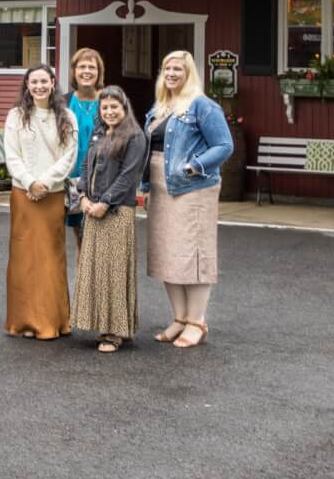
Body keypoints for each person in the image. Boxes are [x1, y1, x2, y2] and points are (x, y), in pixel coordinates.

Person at [144, 50, 233, 349]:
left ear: (189, 73)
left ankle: (197, 321)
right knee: (167, 252)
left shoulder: (203, 106)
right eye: (167, 68)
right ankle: (179, 318)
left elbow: (224, 145)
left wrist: (195, 165)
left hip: (193, 188)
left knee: (193, 254)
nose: (171, 74)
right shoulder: (160, 108)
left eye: (178, 69)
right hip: (160, 187)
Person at [3, 64, 77, 340]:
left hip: (52, 195)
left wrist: (44, 182)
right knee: (24, 259)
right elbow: (11, 154)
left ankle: (51, 321)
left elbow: (69, 154)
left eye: (44, 81)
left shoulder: (66, 115)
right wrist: (29, 182)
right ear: (27, 84)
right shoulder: (16, 116)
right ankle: (23, 321)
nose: (39, 86)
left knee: (49, 258)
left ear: (53, 82)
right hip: (23, 195)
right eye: (33, 82)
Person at [71, 86, 147, 354]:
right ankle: (103, 323)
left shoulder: (135, 136)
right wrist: (82, 196)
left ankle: (116, 332)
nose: (109, 111)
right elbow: (84, 165)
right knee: (97, 270)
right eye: (105, 107)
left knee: (114, 272)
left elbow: (129, 175)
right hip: (92, 209)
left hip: (116, 211)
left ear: (124, 108)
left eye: (114, 107)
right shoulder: (99, 132)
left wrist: (105, 202)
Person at [60, 48, 105, 247]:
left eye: (92, 67)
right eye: (82, 66)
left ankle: (98, 279)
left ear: (99, 72)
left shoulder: (109, 100)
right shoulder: (63, 102)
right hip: (71, 178)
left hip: (102, 177)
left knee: (99, 238)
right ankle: (82, 279)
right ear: (74, 71)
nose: (86, 71)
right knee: (81, 239)